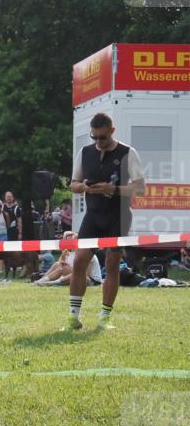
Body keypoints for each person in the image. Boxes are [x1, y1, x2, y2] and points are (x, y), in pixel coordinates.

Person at [63, 113, 146, 330]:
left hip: (118, 215)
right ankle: (73, 317)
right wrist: (84, 187)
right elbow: (73, 183)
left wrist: (114, 189)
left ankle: (104, 317)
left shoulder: (128, 153)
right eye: (94, 137)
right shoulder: (85, 152)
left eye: (102, 137)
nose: (98, 142)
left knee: (111, 264)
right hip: (93, 214)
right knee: (80, 260)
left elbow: (140, 187)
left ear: (112, 131)